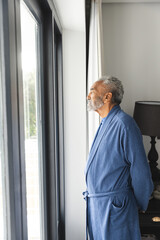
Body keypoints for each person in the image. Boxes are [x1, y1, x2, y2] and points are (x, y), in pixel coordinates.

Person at [83, 76, 154, 240]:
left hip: (115, 207)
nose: (88, 96)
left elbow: (140, 170)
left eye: (92, 91)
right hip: (99, 207)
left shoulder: (124, 124)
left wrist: (141, 202)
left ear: (107, 96)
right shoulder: (105, 123)